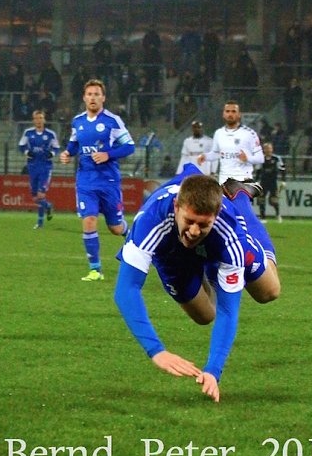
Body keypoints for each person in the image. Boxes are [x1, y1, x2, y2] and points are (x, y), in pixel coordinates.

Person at [114, 167, 281, 402]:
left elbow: (228, 309)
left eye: (202, 224)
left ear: (216, 214)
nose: (193, 231)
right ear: (176, 208)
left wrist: (213, 370)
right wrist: (157, 351)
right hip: (170, 253)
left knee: (269, 292)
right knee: (204, 316)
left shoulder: (228, 233)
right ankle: (210, 260)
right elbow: (126, 290)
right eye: (189, 221)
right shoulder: (151, 223)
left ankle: (239, 196)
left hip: (220, 240)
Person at [60, 79, 135, 281]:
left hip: (108, 181)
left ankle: (136, 239)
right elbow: (74, 144)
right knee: (89, 220)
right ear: (84, 98)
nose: (93, 97)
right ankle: (95, 269)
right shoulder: (78, 121)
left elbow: (129, 146)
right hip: (85, 181)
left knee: (115, 227)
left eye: (96, 94)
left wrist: (108, 155)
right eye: (89, 94)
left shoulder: (113, 121)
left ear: (103, 98)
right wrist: (67, 153)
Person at [197, 101, 264, 185]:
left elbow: (260, 158)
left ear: (239, 114)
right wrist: (205, 156)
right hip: (224, 181)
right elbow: (216, 154)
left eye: (233, 111)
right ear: (223, 114)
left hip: (243, 180)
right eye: (227, 111)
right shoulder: (219, 133)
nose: (230, 114)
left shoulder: (249, 133)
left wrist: (247, 159)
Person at [18, 110, 60, 229]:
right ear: (33, 120)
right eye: (36, 118)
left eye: (41, 118)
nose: (38, 120)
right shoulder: (28, 133)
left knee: (41, 194)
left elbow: (56, 148)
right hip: (32, 166)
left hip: (45, 167)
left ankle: (40, 223)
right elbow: (21, 146)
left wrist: (51, 153)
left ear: (44, 120)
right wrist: (27, 152)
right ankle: (48, 206)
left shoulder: (50, 134)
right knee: (35, 197)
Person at [255, 142, 286, 222]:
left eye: (269, 148)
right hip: (263, 182)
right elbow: (258, 171)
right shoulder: (261, 159)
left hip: (273, 182)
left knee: (273, 200)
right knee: (261, 199)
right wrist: (256, 181)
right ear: (264, 150)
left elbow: (282, 169)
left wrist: (283, 180)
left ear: (272, 149)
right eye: (266, 148)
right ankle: (263, 217)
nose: (268, 150)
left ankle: (278, 215)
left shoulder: (276, 158)